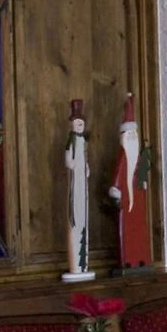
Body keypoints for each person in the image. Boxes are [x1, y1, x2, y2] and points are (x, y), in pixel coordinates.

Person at [109, 93, 153, 271]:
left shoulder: (138, 157)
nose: (133, 138)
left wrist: (143, 184)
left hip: (138, 201)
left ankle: (142, 258)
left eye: (134, 135)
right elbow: (117, 177)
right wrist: (116, 189)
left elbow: (141, 174)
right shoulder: (123, 157)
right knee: (127, 231)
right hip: (127, 201)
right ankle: (128, 259)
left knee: (140, 229)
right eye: (130, 135)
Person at [63, 99, 94, 282]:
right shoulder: (72, 140)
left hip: (83, 178)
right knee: (75, 217)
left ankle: (83, 264)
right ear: (72, 124)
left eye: (81, 121)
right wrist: (71, 163)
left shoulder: (83, 141)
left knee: (83, 215)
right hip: (76, 179)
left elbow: (84, 156)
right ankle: (77, 265)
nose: (79, 124)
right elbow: (68, 156)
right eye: (77, 121)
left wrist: (86, 167)